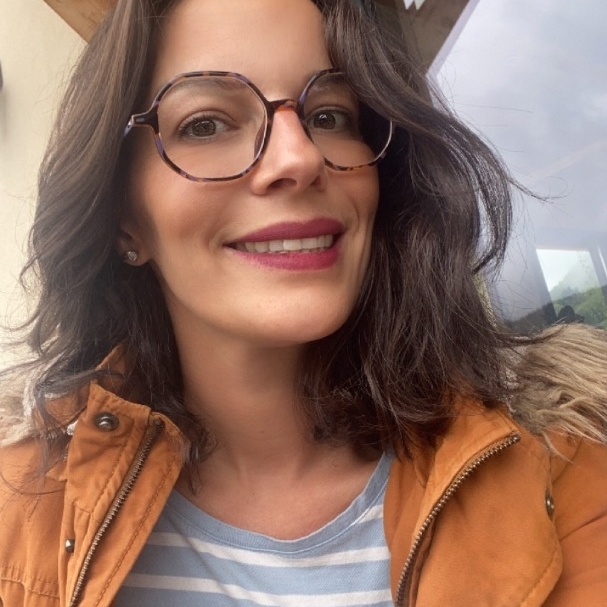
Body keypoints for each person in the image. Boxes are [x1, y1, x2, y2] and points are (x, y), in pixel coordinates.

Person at [0, 0, 605, 605]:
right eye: (206, 124)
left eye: (330, 115)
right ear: (123, 216)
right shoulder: (19, 503)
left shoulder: (557, 469)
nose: (300, 157)